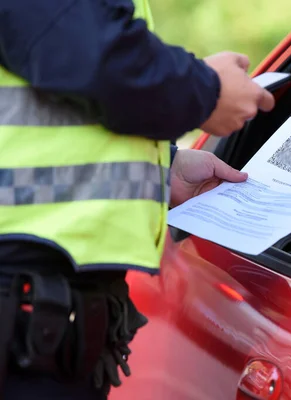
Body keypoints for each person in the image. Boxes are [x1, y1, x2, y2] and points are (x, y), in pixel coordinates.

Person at [0, 0, 275, 398]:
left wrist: (165, 170)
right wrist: (206, 90)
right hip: (23, 314)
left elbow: (53, 110)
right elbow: (91, 55)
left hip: (38, 320)